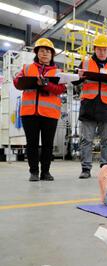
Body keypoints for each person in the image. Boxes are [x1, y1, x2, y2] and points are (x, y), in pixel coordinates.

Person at [73, 34, 107, 179]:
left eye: (105, 49)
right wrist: (79, 76)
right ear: (94, 49)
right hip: (89, 106)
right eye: (99, 49)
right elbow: (74, 80)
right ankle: (86, 169)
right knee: (86, 140)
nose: (102, 52)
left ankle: (105, 168)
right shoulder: (85, 64)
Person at [13, 38, 66, 181]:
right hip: (29, 113)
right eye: (42, 51)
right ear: (37, 53)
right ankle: (34, 172)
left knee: (48, 145)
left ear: (52, 55)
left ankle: (46, 172)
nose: (45, 54)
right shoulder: (27, 68)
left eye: (48, 51)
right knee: (32, 144)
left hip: (50, 114)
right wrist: (27, 81)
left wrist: (46, 84)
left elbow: (61, 89)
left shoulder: (58, 72)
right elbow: (17, 83)